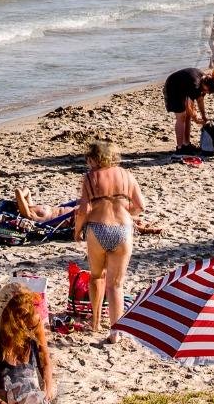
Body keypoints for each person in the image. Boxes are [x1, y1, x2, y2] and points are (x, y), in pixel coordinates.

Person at [72, 140, 144, 341]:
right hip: (123, 230)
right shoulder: (127, 175)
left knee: (96, 276)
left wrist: (77, 232)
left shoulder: (90, 177)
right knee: (116, 285)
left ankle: (95, 322)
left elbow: (84, 210)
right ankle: (115, 332)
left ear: (95, 158)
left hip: (97, 229)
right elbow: (140, 206)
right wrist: (126, 212)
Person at [0, 285, 54, 404]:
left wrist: (47, 389)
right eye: (21, 321)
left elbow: (46, 361)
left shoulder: (34, 323)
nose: (27, 329)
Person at [162, 66, 214, 152]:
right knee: (182, 116)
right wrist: (196, 120)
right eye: (208, 91)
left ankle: (186, 144)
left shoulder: (204, 82)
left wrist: (204, 116)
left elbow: (200, 100)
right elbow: (189, 106)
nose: (208, 93)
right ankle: (180, 148)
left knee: (188, 117)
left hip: (183, 87)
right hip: (173, 87)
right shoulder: (195, 85)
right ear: (206, 85)